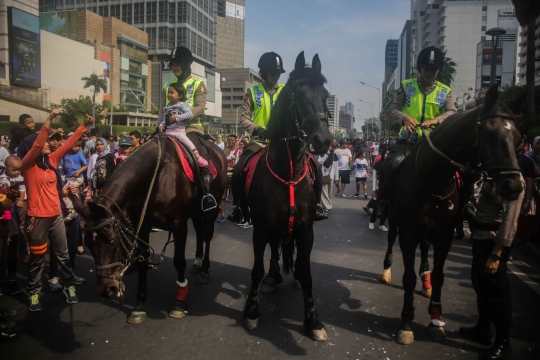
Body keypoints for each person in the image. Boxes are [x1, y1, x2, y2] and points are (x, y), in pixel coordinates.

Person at [18, 109, 93, 311]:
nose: (51, 144)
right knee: (38, 258)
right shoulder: (27, 165)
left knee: (63, 254)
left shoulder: (51, 161)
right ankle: (34, 293)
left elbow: (68, 144)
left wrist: (83, 126)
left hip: (56, 216)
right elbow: (36, 144)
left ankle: (69, 286)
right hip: (38, 218)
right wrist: (49, 119)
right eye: (46, 142)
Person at [377, 46, 457, 218]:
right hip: (408, 141)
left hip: (434, 142)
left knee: (458, 169)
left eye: (433, 70)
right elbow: (392, 108)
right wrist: (403, 118)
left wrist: (436, 120)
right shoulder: (406, 86)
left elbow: (452, 112)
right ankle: (383, 201)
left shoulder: (445, 91)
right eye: (426, 69)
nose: (429, 73)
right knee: (388, 165)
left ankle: (465, 205)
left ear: (438, 71)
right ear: (420, 69)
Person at [459, 175, 524, 360]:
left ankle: (503, 341)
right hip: (480, 237)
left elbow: (510, 220)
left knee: (497, 292)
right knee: (480, 285)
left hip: (494, 243)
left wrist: (497, 253)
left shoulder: (513, 179)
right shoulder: (493, 173)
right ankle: (483, 328)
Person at [160, 46, 216, 212]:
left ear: (188, 64)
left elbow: (200, 107)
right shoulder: (167, 85)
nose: (175, 66)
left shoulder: (198, 83)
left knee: (201, 154)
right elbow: (163, 110)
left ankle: (207, 195)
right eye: (173, 63)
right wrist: (159, 127)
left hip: (191, 128)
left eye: (179, 63)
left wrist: (179, 117)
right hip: (170, 129)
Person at [159, 82, 208, 167]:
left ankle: (198, 157)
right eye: (168, 93)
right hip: (168, 132)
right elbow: (165, 119)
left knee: (189, 143)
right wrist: (161, 126)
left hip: (179, 132)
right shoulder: (166, 107)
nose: (169, 95)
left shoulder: (181, 105)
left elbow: (189, 114)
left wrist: (176, 118)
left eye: (172, 92)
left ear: (180, 95)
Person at [0, 156, 25, 295]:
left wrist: (19, 198)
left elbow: (20, 191)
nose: (16, 172)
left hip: (11, 213)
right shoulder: (2, 178)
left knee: (11, 250)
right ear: (6, 168)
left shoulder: (19, 179)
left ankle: (12, 280)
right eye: (13, 169)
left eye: (18, 170)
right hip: (4, 213)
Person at [62, 138, 88, 222]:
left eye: (79, 146)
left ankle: (72, 210)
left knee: (65, 191)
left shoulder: (80, 154)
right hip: (69, 179)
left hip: (77, 178)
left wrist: (79, 171)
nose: (77, 148)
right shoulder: (65, 154)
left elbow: (86, 165)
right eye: (75, 146)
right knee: (70, 194)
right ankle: (73, 210)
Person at [318, 144, 339, 214]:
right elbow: (319, 163)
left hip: (331, 176)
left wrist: (337, 178)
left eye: (330, 146)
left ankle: (326, 206)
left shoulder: (334, 155)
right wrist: (326, 155)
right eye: (327, 146)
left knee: (329, 193)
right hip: (323, 176)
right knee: (324, 193)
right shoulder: (321, 154)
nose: (329, 148)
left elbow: (336, 168)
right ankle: (328, 207)